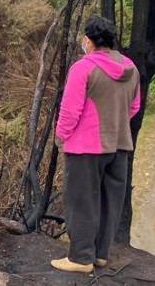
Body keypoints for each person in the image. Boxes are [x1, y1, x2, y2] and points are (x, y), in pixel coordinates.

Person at [51, 16, 141, 274]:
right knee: (109, 201)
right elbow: (133, 107)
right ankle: (100, 255)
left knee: (82, 201)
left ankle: (80, 258)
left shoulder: (84, 68)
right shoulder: (131, 69)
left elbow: (70, 110)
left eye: (85, 39)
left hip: (86, 148)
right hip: (120, 146)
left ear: (89, 41)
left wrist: (61, 137)